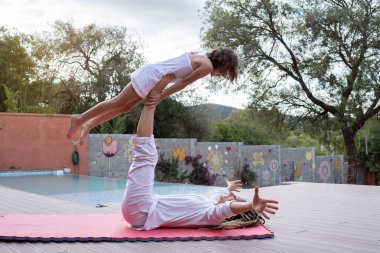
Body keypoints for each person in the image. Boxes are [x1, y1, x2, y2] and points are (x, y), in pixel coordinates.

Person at [121, 88, 279, 230]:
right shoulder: (210, 203)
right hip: (142, 209)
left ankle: (152, 100)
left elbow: (226, 208)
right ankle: (152, 100)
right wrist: (229, 188)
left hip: (143, 210)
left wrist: (249, 205)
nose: (234, 197)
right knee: (146, 156)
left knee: (146, 156)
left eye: (237, 200)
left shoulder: (210, 215)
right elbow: (221, 196)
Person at [66, 47, 239, 144]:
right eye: (224, 73)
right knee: (119, 101)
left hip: (153, 75)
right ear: (223, 65)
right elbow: (183, 83)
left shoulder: (200, 56)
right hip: (152, 75)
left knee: (125, 107)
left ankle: (89, 123)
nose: (220, 75)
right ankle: (80, 118)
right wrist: (161, 96)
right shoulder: (207, 66)